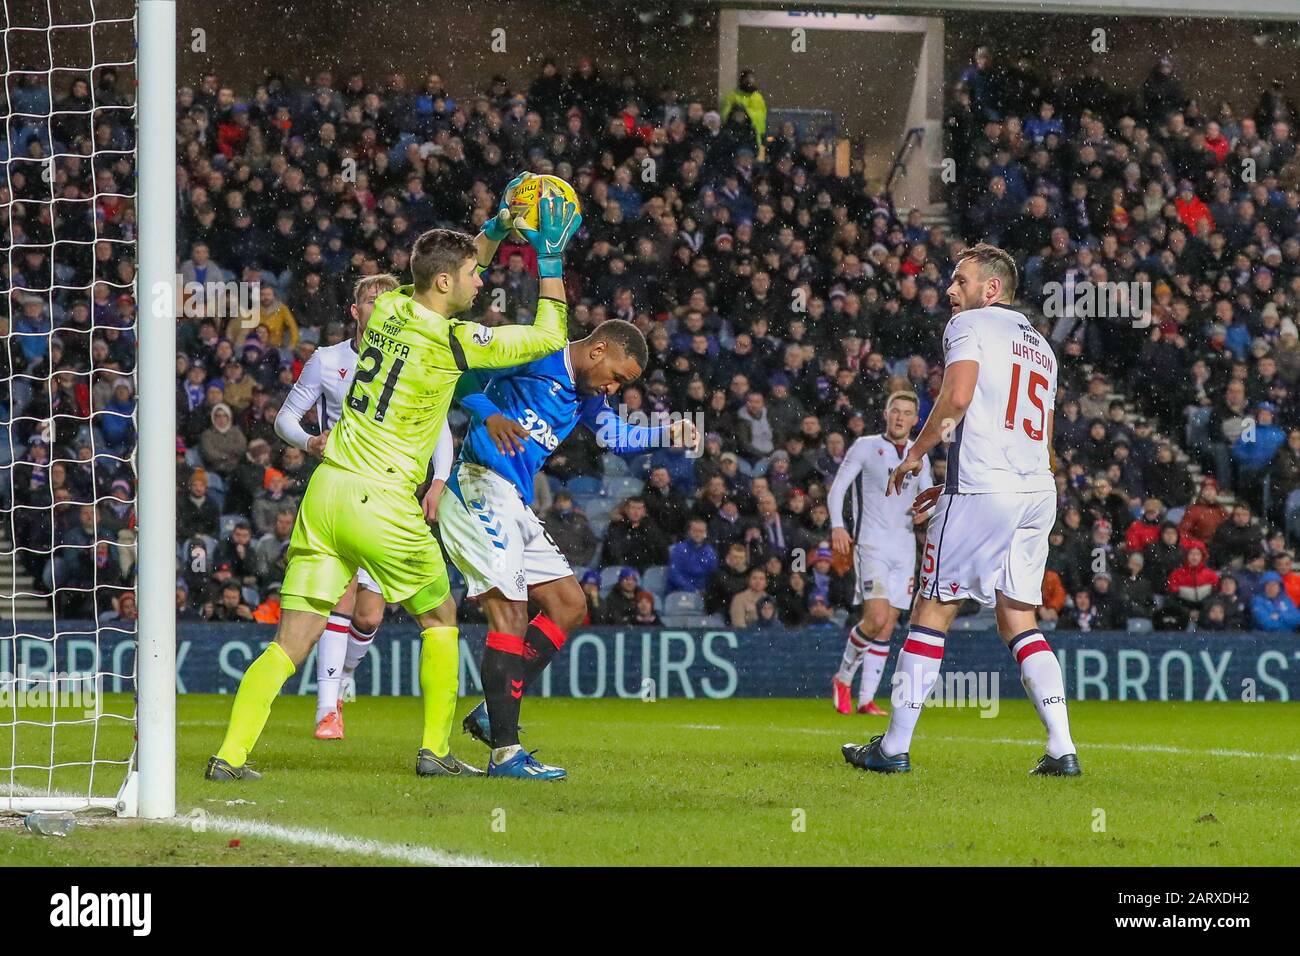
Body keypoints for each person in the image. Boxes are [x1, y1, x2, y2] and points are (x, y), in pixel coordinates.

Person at [206, 182, 577, 782]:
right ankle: (434, 750)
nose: (483, 283)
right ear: (446, 283)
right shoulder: (452, 343)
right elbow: (549, 336)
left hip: (325, 494)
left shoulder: (387, 310)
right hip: (379, 497)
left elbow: (447, 272)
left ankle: (230, 756)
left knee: (290, 640)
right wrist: (551, 260)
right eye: (473, 277)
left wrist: (498, 230)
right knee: (441, 617)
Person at [844, 243, 1079, 776]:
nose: (950, 290)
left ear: (990, 290)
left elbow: (957, 399)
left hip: (985, 489)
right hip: (1036, 489)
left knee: (932, 609)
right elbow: (1023, 430)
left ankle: (893, 747)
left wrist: (916, 457)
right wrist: (954, 481)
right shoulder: (1041, 346)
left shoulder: (970, 325)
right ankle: (1062, 748)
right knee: (1019, 616)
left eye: (961, 280)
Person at [438, 319, 696, 780]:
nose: (614, 389)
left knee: (569, 604)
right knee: (511, 615)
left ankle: (489, 711)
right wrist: (488, 414)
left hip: (513, 498)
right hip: (476, 484)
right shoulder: (536, 351)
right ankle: (505, 753)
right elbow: (460, 373)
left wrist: (666, 434)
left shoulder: (588, 396)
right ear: (598, 350)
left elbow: (615, 436)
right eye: (618, 377)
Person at [274, 272, 453, 740]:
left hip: (391, 495)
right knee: (343, 597)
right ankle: (327, 708)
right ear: (355, 312)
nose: (381, 307)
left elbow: (440, 429)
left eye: (389, 300)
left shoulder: (416, 358)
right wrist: (311, 441)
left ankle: (341, 680)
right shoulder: (327, 359)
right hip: (340, 487)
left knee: (370, 615)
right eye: (372, 301)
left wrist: (437, 482)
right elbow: (285, 419)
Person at [827, 391, 932, 716]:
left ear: (916, 420)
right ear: (886, 415)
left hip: (904, 548)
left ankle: (866, 700)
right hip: (871, 544)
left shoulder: (920, 455)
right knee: (874, 619)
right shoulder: (866, 446)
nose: (900, 417)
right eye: (894, 411)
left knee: (887, 626)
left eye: (906, 413)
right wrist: (837, 525)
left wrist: (924, 513)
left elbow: (926, 497)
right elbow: (838, 487)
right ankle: (843, 679)